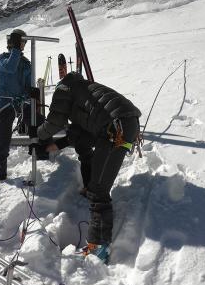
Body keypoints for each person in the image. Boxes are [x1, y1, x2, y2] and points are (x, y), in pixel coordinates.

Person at [36, 72, 141, 261]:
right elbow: (79, 132)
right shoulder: (85, 91)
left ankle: (98, 246)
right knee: (82, 143)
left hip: (115, 129)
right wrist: (57, 145)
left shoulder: (63, 89)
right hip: (125, 123)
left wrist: (39, 135)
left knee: (99, 190)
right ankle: (88, 185)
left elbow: (55, 122)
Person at [0, 29, 31, 180]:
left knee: (38, 125)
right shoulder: (2, 58)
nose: (22, 45)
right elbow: (10, 67)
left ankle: (43, 153)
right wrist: (15, 49)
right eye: (21, 42)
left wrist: (28, 95)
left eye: (23, 42)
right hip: (6, 103)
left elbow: (28, 84)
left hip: (22, 102)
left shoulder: (26, 63)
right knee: (3, 140)